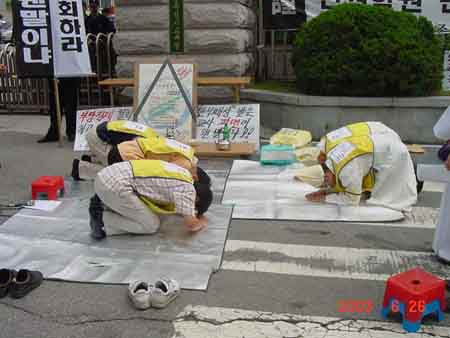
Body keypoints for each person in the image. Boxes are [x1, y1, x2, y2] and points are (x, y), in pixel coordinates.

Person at [89, 160, 213, 240]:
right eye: (194, 207)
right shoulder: (188, 190)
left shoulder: (181, 173)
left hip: (109, 174)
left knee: (150, 213)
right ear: (196, 199)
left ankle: (105, 209)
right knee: (151, 225)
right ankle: (101, 217)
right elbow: (191, 225)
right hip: (113, 185)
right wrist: (202, 221)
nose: (191, 209)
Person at [305, 126, 418, 212]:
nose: (328, 185)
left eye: (325, 182)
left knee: (387, 196)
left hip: (392, 153)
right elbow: (338, 182)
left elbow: (352, 200)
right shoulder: (332, 159)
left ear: (327, 172)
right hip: (381, 141)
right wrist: (326, 192)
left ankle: (415, 180)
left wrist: (324, 198)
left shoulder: (347, 171)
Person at [71, 121, 208, 184]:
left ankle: (92, 159)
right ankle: (80, 169)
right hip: (99, 137)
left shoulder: (160, 141)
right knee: (115, 172)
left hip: (103, 130)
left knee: (118, 162)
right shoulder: (182, 161)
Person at [39, 78, 81, 142]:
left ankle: (72, 132)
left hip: (70, 77)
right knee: (55, 105)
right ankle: (54, 132)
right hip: (55, 76)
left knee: (70, 106)